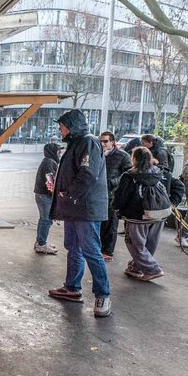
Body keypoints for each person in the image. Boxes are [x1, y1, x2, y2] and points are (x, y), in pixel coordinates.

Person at [46, 110, 112, 318]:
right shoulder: (78, 143)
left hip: (85, 208)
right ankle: (72, 287)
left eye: (63, 125)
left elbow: (88, 173)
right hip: (74, 207)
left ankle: (103, 295)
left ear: (72, 126)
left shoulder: (88, 142)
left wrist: (69, 193)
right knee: (74, 247)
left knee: (91, 250)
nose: (60, 129)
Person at [113, 146, 172, 281]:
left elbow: (121, 195)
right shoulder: (158, 172)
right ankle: (137, 267)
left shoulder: (129, 175)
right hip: (159, 212)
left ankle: (152, 269)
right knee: (150, 243)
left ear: (134, 159)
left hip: (138, 214)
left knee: (135, 244)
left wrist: (116, 208)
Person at [99, 131, 130, 261]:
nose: (103, 144)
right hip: (98, 194)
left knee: (111, 224)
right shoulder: (98, 154)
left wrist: (113, 182)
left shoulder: (122, 156)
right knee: (99, 223)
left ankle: (108, 251)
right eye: (101, 141)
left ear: (112, 142)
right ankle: (99, 248)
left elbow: (128, 174)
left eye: (105, 141)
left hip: (112, 195)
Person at [32, 142, 61, 255]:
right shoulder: (49, 162)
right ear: (52, 151)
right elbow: (50, 182)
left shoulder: (48, 161)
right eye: (58, 150)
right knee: (46, 220)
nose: (60, 153)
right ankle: (41, 244)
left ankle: (40, 242)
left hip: (41, 195)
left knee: (43, 219)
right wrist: (56, 195)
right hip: (44, 196)